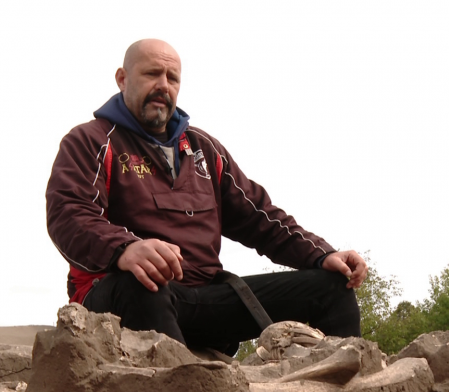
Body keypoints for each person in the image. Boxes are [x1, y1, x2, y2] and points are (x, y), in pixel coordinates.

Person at [46, 39, 367, 353]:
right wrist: (125, 249)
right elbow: (69, 214)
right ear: (122, 78)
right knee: (143, 281)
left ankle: (343, 385)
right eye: (152, 74)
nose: (163, 85)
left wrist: (321, 254)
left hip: (204, 299)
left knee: (332, 287)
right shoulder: (91, 140)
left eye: (172, 78)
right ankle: (182, 386)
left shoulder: (204, 149)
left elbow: (260, 217)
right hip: (122, 297)